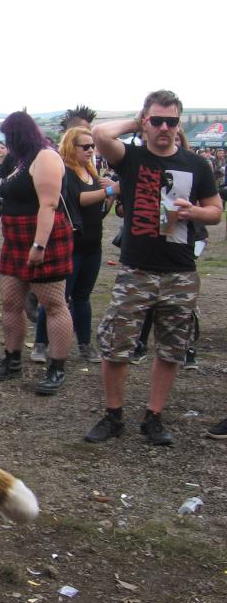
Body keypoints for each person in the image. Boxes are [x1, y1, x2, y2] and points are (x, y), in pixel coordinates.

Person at [85, 90, 221, 446]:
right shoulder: (131, 157)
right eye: (156, 120)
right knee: (116, 344)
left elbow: (215, 211)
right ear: (146, 121)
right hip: (137, 270)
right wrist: (137, 123)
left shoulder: (197, 164)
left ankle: (154, 416)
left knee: (171, 348)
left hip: (180, 271)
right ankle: (113, 415)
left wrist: (195, 212)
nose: (164, 127)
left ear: (179, 124)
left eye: (170, 121)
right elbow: (99, 134)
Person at [0, 111, 74, 394]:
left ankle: (56, 368)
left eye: (9, 136)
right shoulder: (21, 161)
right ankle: (12, 360)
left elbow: (48, 205)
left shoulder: (45, 157)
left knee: (54, 304)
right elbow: (19, 194)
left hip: (42, 236)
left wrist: (39, 245)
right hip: (15, 237)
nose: (7, 142)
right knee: (10, 302)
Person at [33, 128, 117, 364]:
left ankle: (84, 345)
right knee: (57, 299)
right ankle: (40, 344)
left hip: (92, 244)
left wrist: (110, 197)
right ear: (71, 146)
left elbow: (98, 211)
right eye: (85, 146)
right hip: (70, 245)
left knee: (82, 297)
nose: (91, 150)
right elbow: (78, 200)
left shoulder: (91, 172)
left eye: (93, 146)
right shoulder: (65, 172)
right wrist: (110, 190)